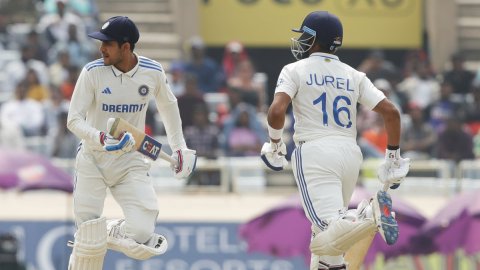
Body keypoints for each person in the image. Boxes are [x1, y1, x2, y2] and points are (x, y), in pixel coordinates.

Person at [260, 11, 410, 270]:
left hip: (315, 152)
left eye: (305, 36)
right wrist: (393, 159)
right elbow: (392, 113)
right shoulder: (354, 74)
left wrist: (275, 145)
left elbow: (275, 112)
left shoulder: (294, 69)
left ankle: (367, 216)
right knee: (330, 248)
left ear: (316, 39)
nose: (301, 41)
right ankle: (359, 221)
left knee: (324, 239)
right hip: (350, 154)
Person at [66, 16, 197, 270]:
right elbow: (73, 120)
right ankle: (90, 238)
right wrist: (100, 138)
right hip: (93, 158)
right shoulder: (92, 72)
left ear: (126, 47)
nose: (101, 49)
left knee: (140, 233)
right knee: (88, 243)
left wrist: (179, 148)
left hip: (130, 160)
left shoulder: (152, 71)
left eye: (108, 44)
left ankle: (109, 231)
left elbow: (169, 108)